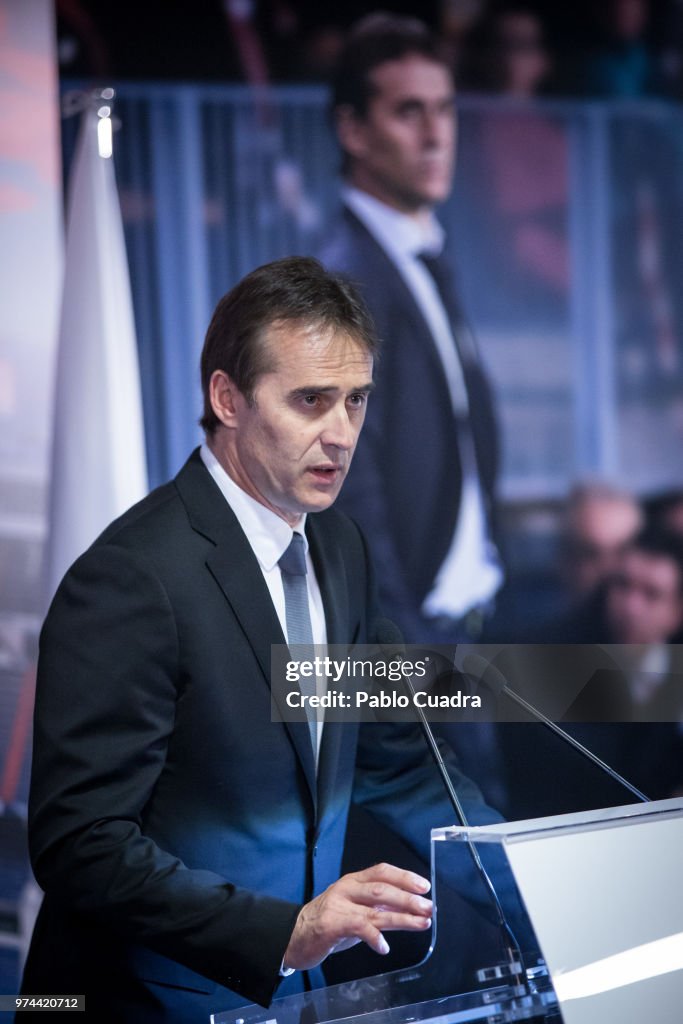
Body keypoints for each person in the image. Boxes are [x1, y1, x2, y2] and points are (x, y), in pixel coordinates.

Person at [22, 258, 517, 1023]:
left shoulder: (340, 549)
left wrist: (535, 887)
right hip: (149, 1003)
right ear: (227, 398)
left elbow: (401, 760)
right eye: (311, 401)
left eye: (355, 401)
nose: (342, 434)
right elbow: (82, 843)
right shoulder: (133, 577)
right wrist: (283, 933)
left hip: (296, 1006)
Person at [320, 13, 502, 645]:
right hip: (418, 647)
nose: (436, 137)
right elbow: (349, 489)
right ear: (353, 129)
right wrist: (405, 646)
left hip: (469, 621)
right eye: (409, 112)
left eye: (445, 110)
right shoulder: (345, 281)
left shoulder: (427, 256)